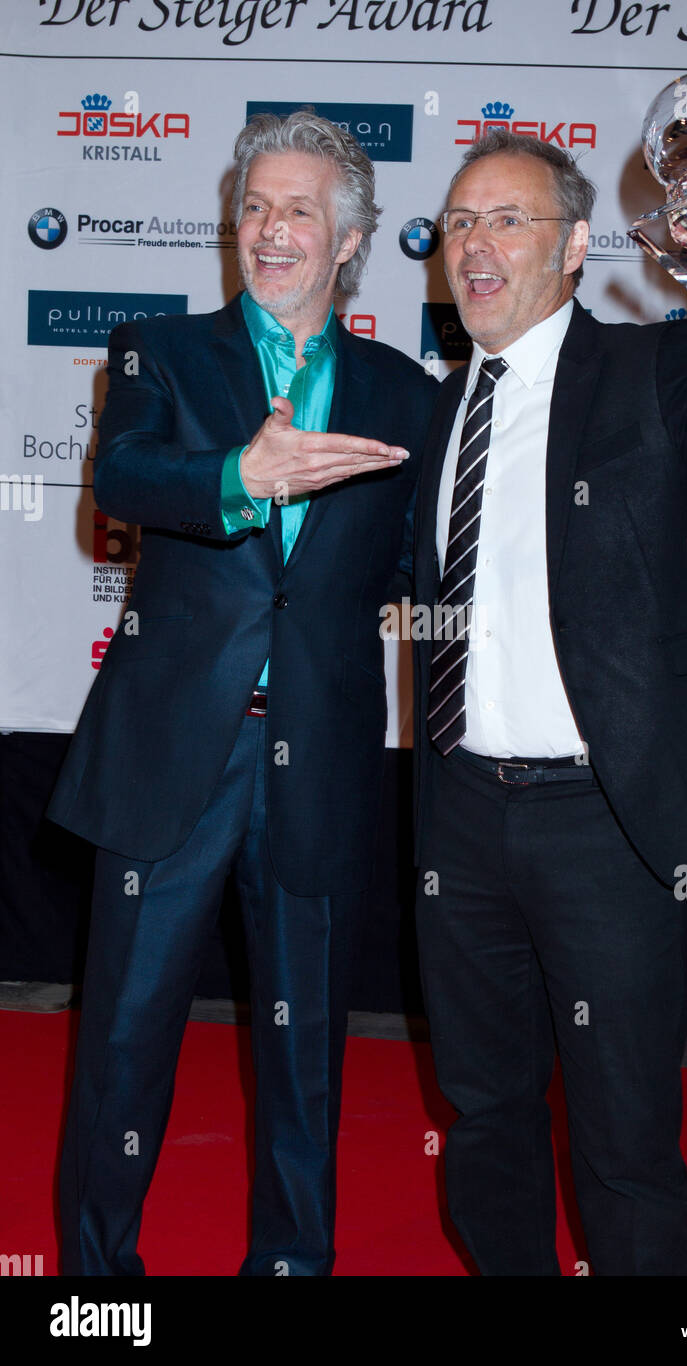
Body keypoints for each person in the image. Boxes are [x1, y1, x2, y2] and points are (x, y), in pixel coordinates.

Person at [412, 130, 687, 1276]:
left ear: (569, 249)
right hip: (458, 817)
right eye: (459, 223)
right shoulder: (433, 407)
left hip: (605, 822)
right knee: (484, 1108)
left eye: (505, 220)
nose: (475, 245)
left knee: (620, 1133)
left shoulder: (648, 367)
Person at [49, 110, 438, 1276]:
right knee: (118, 1037)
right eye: (255, 206)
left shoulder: (405, 393)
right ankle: (95, 1289)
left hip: (315, 756)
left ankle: (288, 1268)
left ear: (351, 240)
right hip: (171, 754)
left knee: (305, 1044)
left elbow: (435, 561)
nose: (271, 230)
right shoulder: (155, 351)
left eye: (300, 209)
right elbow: (122, 473)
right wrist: (238, 474)